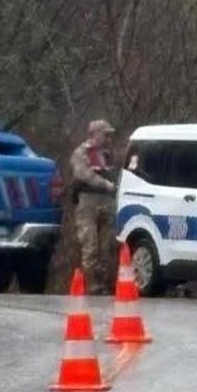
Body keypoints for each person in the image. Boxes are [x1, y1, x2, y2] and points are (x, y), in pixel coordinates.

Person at [71, 120, 118, 294]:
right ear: (94, 134)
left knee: (105, 246)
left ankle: (101, 283)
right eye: (105, 134)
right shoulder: (81, 153)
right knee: (90, 244)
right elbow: (84, 174)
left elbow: (113, 174)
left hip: (106, 202)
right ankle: (89, 283)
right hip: (88, 202)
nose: (108, 138)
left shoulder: (107, 154)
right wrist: (106, 185)